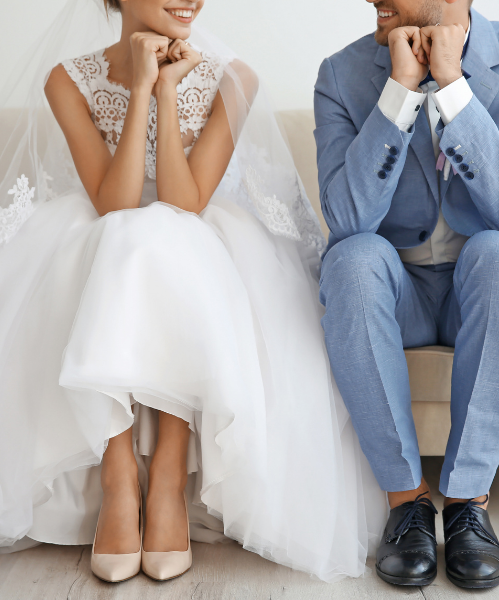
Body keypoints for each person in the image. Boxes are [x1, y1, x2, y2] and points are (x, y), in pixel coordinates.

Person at [0, 0, 387, 583]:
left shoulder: (233, 78)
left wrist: (166, 90)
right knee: (123, 239)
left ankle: (168, 480)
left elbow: (184, 204)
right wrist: (139, 87)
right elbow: (113, 204)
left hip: (195, 231)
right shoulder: (67, 79)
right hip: (105, 229)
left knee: (165, 237)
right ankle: (118, 479)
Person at [315, 0, 499, 590]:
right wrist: (400, 92)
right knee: (351, 260)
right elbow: (348, 219)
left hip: (484, 288)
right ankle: (406, 502)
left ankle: (467, 504)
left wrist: (454, 87)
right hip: (395, 291)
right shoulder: (339, 74)